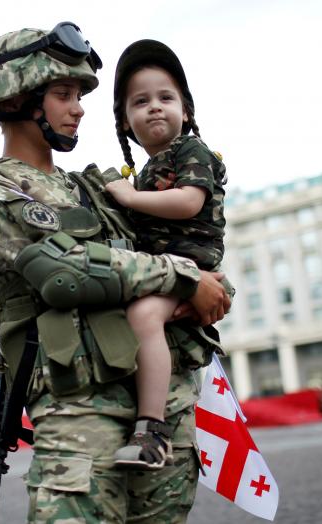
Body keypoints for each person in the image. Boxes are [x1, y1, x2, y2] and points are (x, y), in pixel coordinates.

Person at [0, 23, 229, 523]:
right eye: (63, 94)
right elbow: (64, 273)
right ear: (17, 100)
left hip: (160, 417)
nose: (78, 106)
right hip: (79, 418)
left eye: (78, 94)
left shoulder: (97, 190)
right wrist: (182, 277)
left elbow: (190, 248)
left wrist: (211, 283)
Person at [103, 40, 228, 471]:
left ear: (186, 111)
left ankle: (151, 432)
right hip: (165, 268)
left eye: (166, 98)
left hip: (191, 266)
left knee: (142, 317)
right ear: (125, 121)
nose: (155, 107)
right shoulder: (142, 172)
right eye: (141, 101)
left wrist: (129, 197)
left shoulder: (192, 152)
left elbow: (188, 203)